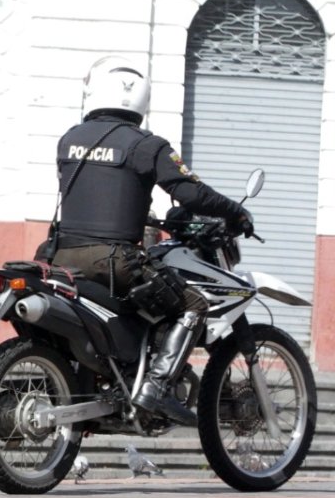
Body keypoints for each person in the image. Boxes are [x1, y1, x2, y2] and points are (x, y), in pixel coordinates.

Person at [48, 56, 254, 426]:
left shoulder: (69, 139)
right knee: (192, 304)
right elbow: (191, 194)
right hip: (115, 260)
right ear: (141, 99)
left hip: (60, 255)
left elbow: (102, 195)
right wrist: (234, 212)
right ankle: (155, 389)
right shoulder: (146, 145)